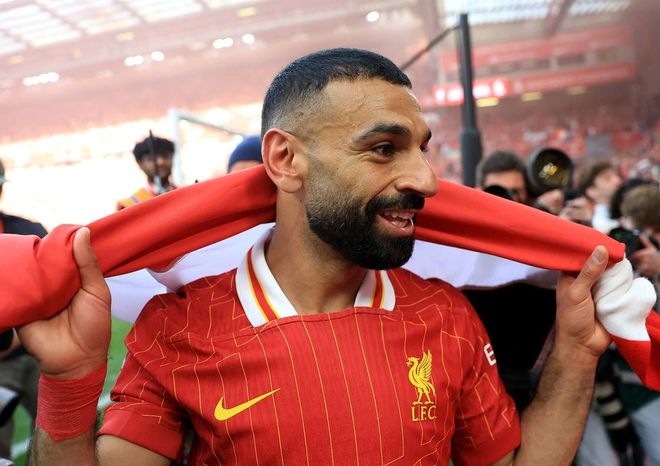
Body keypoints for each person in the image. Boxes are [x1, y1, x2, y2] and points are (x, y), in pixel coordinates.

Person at [21, 48, 612, 466]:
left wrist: (577, 352)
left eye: (422, 150)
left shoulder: (446, 315)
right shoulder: (179, 327)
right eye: (384, 148)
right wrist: (69, 384)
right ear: (285, 160)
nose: (427, 181)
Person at [0, 159, 46, 460]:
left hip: (39, 353)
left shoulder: (28, 231)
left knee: (61, 435)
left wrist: (20, 335)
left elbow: (57, 287)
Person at [116, 135, 176, 210]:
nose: (160, 162)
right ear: (139, 163)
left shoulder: (185, 195)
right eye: (151, 158)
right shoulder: (128, 206)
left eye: (165, 156)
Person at [576, 160, 622, 234]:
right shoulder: (598, 224)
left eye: (617, 175)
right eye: (607, 178)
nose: (618, 181)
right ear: (592, 191)